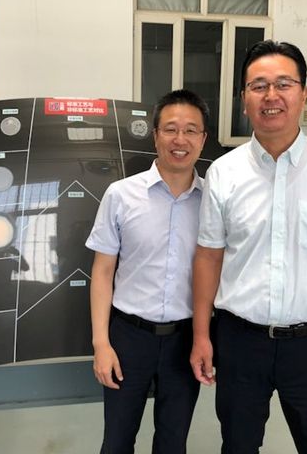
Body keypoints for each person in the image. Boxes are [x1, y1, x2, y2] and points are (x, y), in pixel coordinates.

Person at [189, 40, 307, 454]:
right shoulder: (223, 173)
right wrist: (202, 335)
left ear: (303, 94)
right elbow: (209, 256)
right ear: (244, 98)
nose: (271, 96)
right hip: (240, 342)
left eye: (283, 84)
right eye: (258, 86)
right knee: (238, 445)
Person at [86, 89, 208, 454]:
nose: (180, 140)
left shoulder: (214, 202)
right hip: (128, 338)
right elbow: (102, 272)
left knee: (173, 442)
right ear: (155, 135)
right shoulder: (120, 195)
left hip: (185, 339)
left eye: (190, 130)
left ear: (203, 139)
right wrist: (101, 344)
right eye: (170, 129)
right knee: (117, 441)